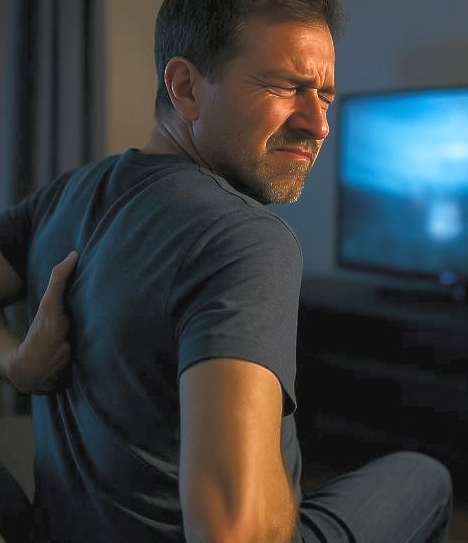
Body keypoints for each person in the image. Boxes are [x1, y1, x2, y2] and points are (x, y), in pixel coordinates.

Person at [0, 0, 453, 541]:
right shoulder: (240, 239)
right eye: (285, 87)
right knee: (426, 476)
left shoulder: (69, 194)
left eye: (325, 96)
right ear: (186, 88)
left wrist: (14, 363)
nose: (318, 125)